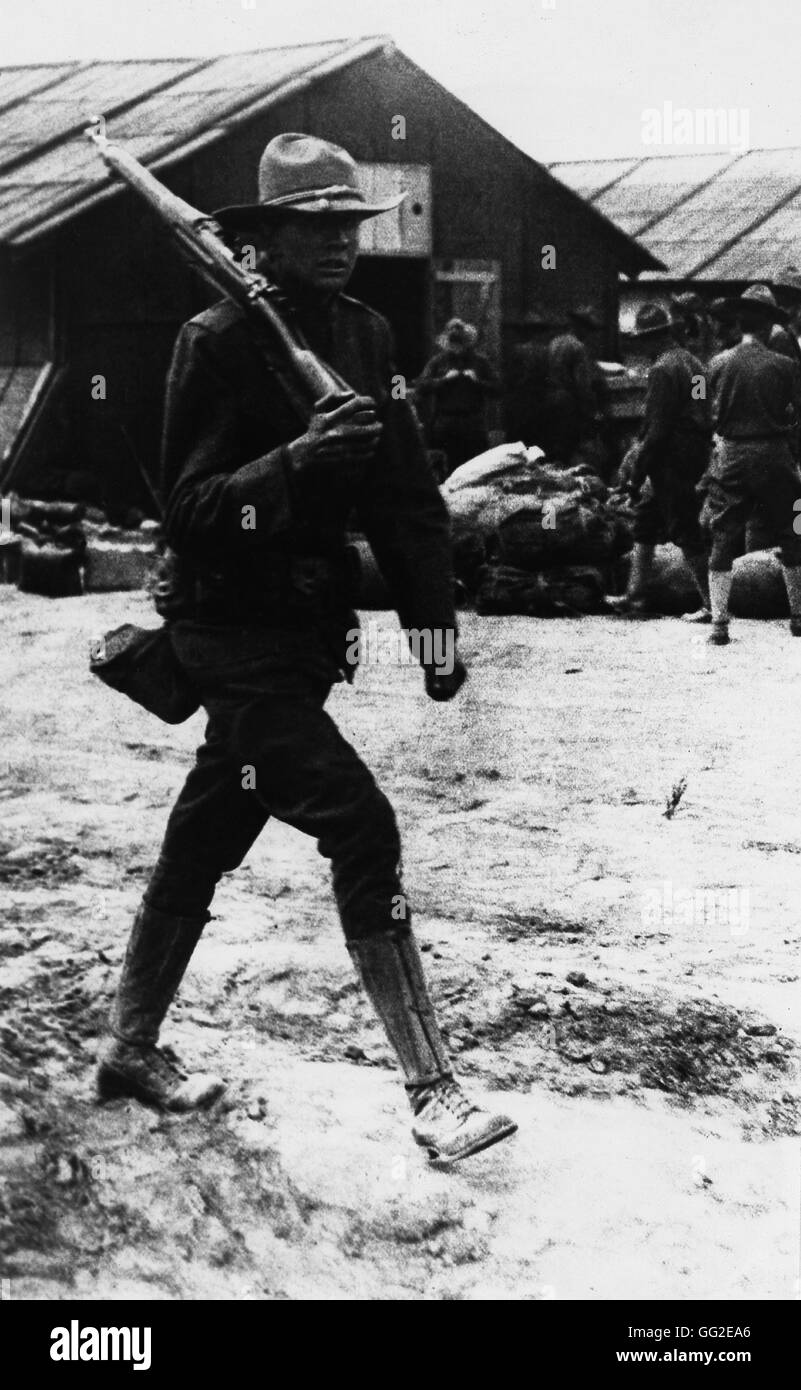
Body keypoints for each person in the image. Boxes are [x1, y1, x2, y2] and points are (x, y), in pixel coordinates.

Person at [96, 133, 516, 1166]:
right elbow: (190, 510)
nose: (338, 243)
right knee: (363, 829)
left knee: (204, 835)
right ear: (263, 240)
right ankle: (434, 1092)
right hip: (229, 639)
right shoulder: (216, 339)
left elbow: (408, 492)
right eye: (313, 227)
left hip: (300, 644)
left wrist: (433, 624)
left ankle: (128, 1048)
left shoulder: (367, 335)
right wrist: (294, 460)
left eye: (347, 226)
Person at [704, 284, 801, 646]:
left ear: (739, 322)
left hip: (731, 455)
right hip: (776, 456)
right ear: (767, 327)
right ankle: (798, 616)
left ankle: (719, 625)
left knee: (723, 533)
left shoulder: (716, 364)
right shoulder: (786, 365)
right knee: (793, 528)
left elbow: (707, 412)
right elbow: (798, 415)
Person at [608, 303, 712, 620]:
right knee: (646, 521)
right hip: (694, 451)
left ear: (652, 339)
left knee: (684, 528)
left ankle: (711, 603)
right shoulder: (696, 365)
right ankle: (634, 595)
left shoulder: (663, 370)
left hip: (672, 458)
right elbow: (703, 411)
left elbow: (657, 431)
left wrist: (634, 478)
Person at [414, 318, 499, 476]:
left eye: (460, 341)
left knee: (477, 470)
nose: (456, 346)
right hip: (445, 424)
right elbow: (421, 386)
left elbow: (498, 389)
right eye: (453, 341)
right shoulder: (438, 362)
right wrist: (443, 380)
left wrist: (477, 382)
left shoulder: (480, 362)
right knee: (446, 470)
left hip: (473, 424)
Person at [540, 306, 605, 464]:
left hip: (549, 399)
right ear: (580, 327)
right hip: (567, 403)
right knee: (567, 448)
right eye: (588, 329)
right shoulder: (577, 347)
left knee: (553, 448)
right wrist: (592, 412)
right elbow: (582, 384)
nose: (589, 334)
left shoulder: (554, 342)